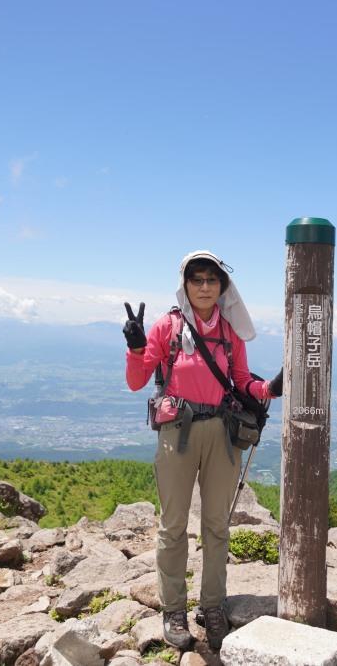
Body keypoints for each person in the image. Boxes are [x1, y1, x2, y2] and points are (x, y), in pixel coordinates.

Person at [122, 250, 281, 651]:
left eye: (212, 279)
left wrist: (269, 390)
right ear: (185, 284)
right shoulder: (167, 327)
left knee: (216, 526)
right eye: (198, 279)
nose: (205, 286)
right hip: (177, 432)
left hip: (221, 433)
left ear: (222, 287)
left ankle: (212, 605)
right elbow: (137, 382)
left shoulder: (228, 332)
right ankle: (173, 610)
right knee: (173, 525)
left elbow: (241, 381)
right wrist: (137, 347)